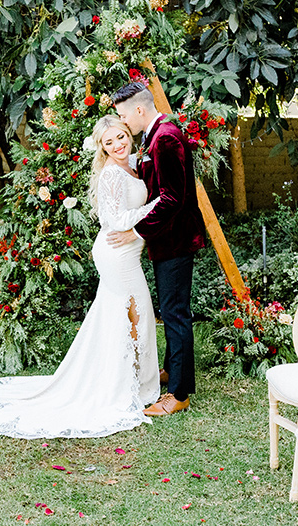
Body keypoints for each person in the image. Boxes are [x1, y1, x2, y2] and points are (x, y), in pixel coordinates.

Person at [0, 115, 161, 438]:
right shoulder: (111, 175)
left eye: (120, 137)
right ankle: (123, 386)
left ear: (128, 133)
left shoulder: (132, 163)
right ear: (101, 149)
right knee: (133, 312)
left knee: (129, 314)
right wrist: (157, 206)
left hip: (128, 252)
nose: (118, 145)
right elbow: (113, 219)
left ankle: (130, 380)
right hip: (116, 253)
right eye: (109, 142)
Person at [108, 81, 206, 417]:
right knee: (171, 309)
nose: (122, 121)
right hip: (167, 239)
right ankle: (171, 372)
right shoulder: (155, 135)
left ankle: (178, 393)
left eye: (123, 114)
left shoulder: (165, 137)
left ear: (139, 109)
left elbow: (172, 199)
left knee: (176, 313)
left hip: (176, 239)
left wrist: (136, 231)